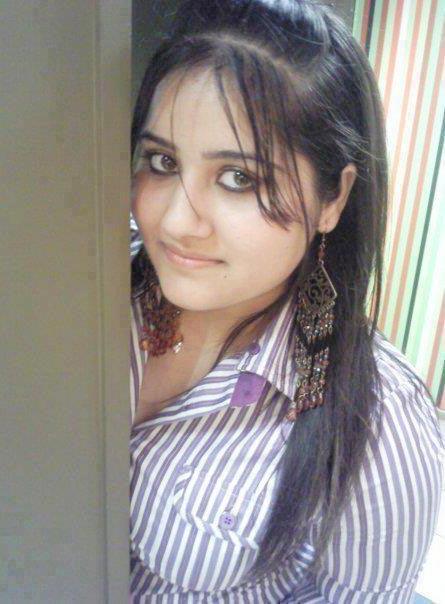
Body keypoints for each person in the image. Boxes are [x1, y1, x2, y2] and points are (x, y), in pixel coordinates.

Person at [128, 0, 444, 601]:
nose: (174, 221)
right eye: (163, 162)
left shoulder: (375, 419)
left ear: (332, 199)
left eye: (239, 178)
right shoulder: (85, 280)